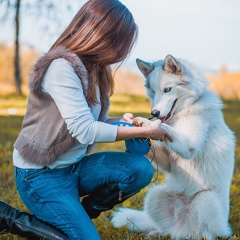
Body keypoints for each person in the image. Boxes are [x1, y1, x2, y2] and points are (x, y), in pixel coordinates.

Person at [0, 0, 173, 239]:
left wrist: (126, 123)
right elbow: (85, 130)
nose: (123, 52)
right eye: (121, 42)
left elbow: (89, 121)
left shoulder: (94, 70)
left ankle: (80, 214)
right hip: (40, 175)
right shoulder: (61, 68)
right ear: (102, 35)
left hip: (74, 167)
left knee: (140, 168)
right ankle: (7, 217)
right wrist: (145, 133)